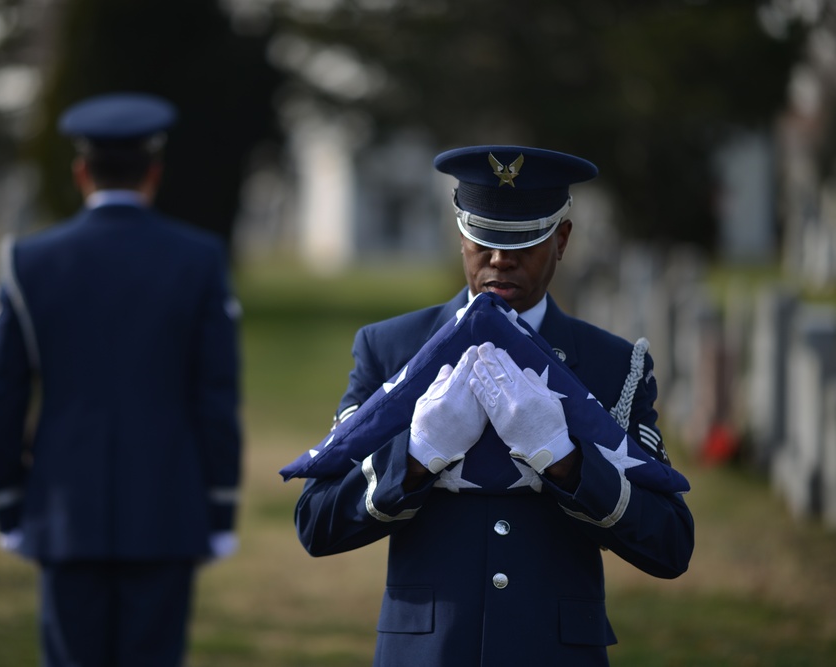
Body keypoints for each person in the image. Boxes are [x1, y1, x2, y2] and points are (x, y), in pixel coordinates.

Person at [289, 145, 694, 666]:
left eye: (523, 241)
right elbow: (317, 522)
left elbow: (670, 544)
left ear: (562, 240)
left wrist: (566, 460)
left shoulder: (614, 366)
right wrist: (416, 456)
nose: (500, 259)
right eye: (484, 239)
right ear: (460, 236)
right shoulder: (391, 350)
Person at [0, 92, 242, 667]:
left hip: (64, 510)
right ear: (154, 171)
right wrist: (220, 507)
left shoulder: (28, 260)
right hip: (168, 509)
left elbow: (3, 394)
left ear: (80, 172)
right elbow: (216, 394)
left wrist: (7, 502)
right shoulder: (198, 259)